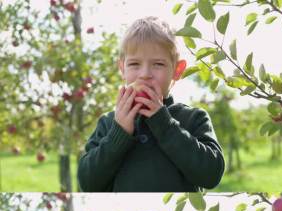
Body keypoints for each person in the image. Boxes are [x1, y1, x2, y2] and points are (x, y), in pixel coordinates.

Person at [78, 17, 224, 192]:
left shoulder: (193, 118)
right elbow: (87, 183)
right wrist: (119, 133)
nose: (145, 74)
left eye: (158, 64)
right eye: (134, 64)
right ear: (122, 68)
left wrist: (164, 124)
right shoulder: (109, 123)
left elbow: (211, 175)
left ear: (177, 70)